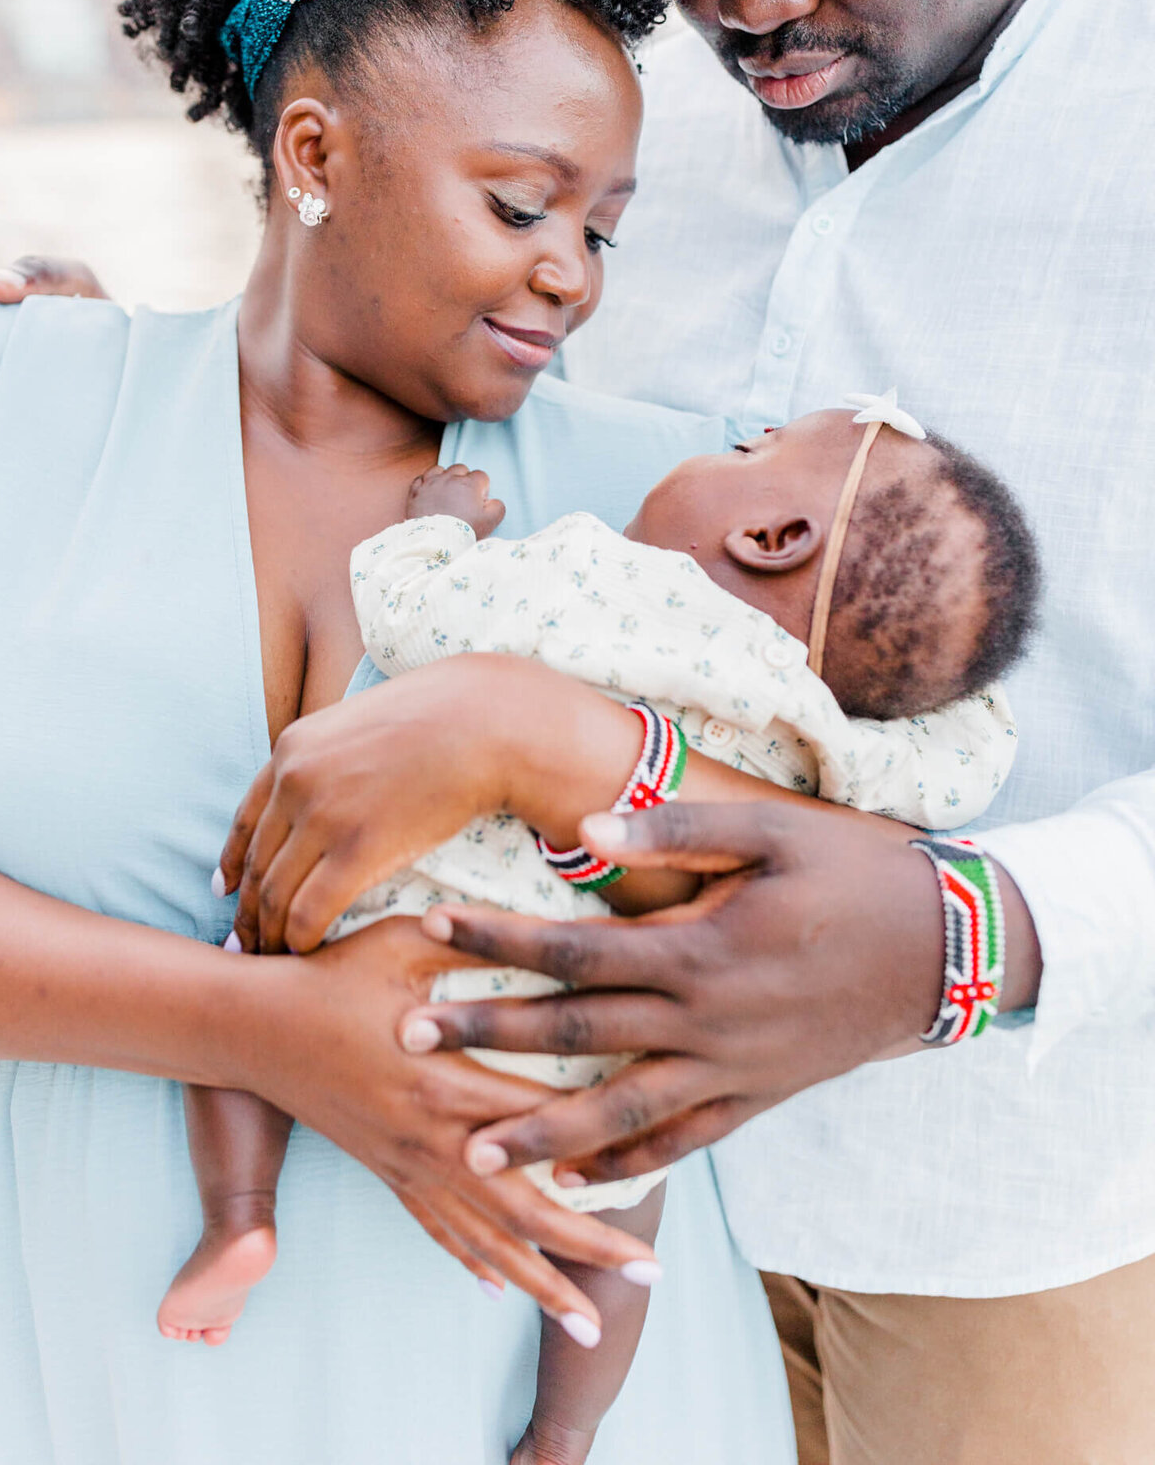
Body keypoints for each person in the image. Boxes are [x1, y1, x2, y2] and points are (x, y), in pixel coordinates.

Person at [0, 0, 801, 1465]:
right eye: (519, 203)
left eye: (605, 225)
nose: (570, 274)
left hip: (543, 1404)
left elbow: (816, 882)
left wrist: (539, 740)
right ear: (315, 156)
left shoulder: (664, 495)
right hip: (107, 1382)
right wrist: (277, 1032)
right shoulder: (9, 405)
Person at [366, 0, 1153, 1462]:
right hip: (606, 1201)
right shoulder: (627, 115)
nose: (756, 7)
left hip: (1006, 1224)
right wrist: (110, 370)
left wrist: (968, 934)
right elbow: (437, 406)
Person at [168, 409, 1034, 1460]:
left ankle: (239, 1216)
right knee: (622, 1243)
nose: (725, 449)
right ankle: (564, 1431)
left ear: (773, 539)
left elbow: (420, 621)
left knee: (246, 968)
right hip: (605, 1062)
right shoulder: (847, 736)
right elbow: (965, 769)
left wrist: (440, 528)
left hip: (414, 952)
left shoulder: (609, 583)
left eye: (749, 452)